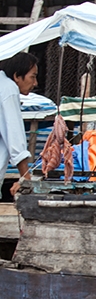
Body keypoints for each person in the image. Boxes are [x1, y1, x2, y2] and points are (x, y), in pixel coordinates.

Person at [0, 52, 38, 197]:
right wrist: (25, 176)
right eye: (32, 77)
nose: (35, 83)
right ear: (17, 76)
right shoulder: (8, 88)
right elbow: (14, 134)